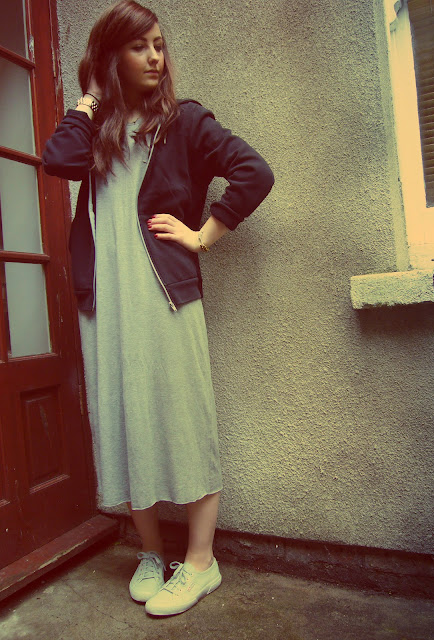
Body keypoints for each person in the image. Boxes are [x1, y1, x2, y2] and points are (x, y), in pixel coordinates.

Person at [42, 0, 274, 618]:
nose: (154, 57)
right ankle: (151, 551)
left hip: (165, 296)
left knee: (184, 419)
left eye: (160, 45)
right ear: (110, 55)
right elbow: (58, 159)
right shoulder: (96, 131)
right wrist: (91, 98)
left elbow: (254, 172)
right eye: (138, 46)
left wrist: (203, 236)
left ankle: (200, 561)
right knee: (125, 418)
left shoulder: (185, 121)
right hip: (107, 300)